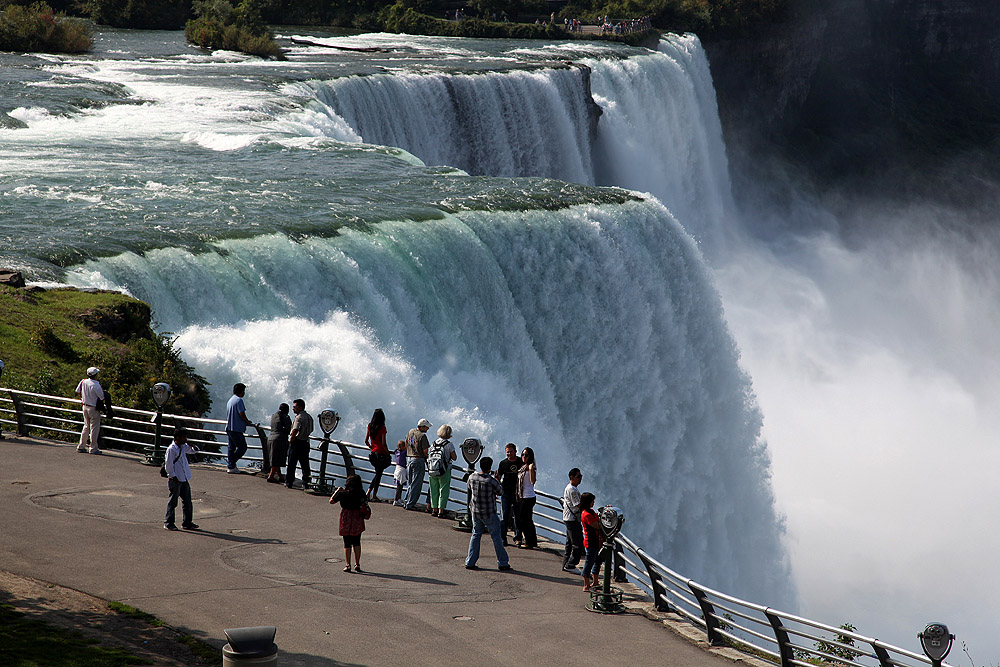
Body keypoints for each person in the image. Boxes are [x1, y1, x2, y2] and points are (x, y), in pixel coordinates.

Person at [464, 456, 511, 571]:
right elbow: (500, 492)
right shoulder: (491, 481)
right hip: (489, 513)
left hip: (475, 512)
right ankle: (503, 562)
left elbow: (469, 486)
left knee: (476, 535)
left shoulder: (472, 477)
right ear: (490, 467)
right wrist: (498, 479)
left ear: (480, 466)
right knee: (496, 537)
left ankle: (470, 561)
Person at [330, 474, 370, 572]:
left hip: (346, 517)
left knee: (347, 542)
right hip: (357, 517)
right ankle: (357, 564)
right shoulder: (361, 493)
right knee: (357, 541)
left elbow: (331, 501)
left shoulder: (343, 493)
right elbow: (365, 502)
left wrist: (336, 491)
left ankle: (348, 565)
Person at [164, 428, 200, 531]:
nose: (185, 439)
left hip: (184, 478)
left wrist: (193, 446)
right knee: (173, 502)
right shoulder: (171, 449)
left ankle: (187, 523)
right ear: (177, 438)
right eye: (184, 437)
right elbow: (168, 465)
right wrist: (173, 476)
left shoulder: (183, 447)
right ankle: (168, 522)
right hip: (175, 479)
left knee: (187, 502)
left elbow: (194, 451)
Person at [427, 424, 457, 517]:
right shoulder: (449, 444)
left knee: (433, 490)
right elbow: (454, 457)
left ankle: (434, 510)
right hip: (444, 470)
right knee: (443, 490)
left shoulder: (434, 443)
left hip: (432, 469)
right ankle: (441, 511)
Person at [225, 383, 256, 474]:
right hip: (236, 429)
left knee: (231, 448)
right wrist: (247, 421)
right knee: (243, 447)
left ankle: (231, 467)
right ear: (241, 391)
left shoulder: (230, 400)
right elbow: (241, 413)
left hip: (229, 427)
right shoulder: (239, 400)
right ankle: (231, 463)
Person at [75, 366, 105, 454]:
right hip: (93, 408)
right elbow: (102, 397)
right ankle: (93, 448)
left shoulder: (83, 381)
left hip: (84, 406)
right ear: (95, 375)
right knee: (94, 428)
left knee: (86, 426)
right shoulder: (96, 385)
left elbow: (77, 391)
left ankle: (81, 446)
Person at [495, 443, 520, 546]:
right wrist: (496, 491)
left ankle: (518, 538)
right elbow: (499, 477)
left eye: (511, 452)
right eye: (507, 452)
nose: (509, 454)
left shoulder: (521, 462)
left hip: (518, 493)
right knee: (504, 516)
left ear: (515, 451)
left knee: (518, 516)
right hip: (506, 493)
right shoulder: (503, 463)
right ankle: (503, 538)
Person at [403, 418, 431, 510]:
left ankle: (406, 501)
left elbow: (406, 443)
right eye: (426, 427)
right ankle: (410, 504)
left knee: (411, 483)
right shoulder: (422, 436)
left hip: (409, 458)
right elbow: (425, 451)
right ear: (422, 427)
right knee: (417, 484)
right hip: (418, 460)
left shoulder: (411, 431)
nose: (427, 429)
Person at [286, 398, 314, 490]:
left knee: (291, 463)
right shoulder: (309, 417)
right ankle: (306, 483)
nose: (293, 408)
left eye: (294, 407)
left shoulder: (299, 417)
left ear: (300, 407)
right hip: (305, 442)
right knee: (305, 465)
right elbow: (311, 429)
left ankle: (289, 482)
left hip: (297, 443)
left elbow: (295, 429)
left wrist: (291, 439)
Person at [365, 408, 391, 502]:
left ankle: (369, 492)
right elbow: (383, 443)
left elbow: (366, 440)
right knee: (378, 474)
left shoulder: (370, 426)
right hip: (381, 454)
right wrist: (388, 453)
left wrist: (371, 447)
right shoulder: (382, 428)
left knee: (377, 474)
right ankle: (373, 494)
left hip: (373, 454)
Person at [561, 467, 584, 573]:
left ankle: (565, 564)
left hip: (569, 518)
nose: (580, 478)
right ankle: (571, 565)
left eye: (581, 476)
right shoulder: (572, 490)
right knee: (577, 543)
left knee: (569, 543)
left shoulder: (571, 488)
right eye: (578, 476)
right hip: (572, 519)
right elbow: (578, 505)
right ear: (571, 477)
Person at [580, 492, 602, 591]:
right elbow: (596, 525)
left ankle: (595, 582)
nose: (593, 503)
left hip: (596, 542)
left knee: (597, 561)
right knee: (589, 563)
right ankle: (586, 585)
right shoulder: (586, 514)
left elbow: (598, 520)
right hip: (591, 542)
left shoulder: (591, 512)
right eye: (592, 501)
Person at [516, 446, 538, 549]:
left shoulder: (530, 467)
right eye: (522, 455)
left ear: (530, 456)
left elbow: (533, 481)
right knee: (528, 520)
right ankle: (532, 541)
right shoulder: (523, 467)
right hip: (524, 496)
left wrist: (531, 469)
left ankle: (529, 542)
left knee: (523, 520)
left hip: (529, 497)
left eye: (526, 455)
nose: (524, 457)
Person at [265, 403, 291, 483]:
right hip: (280, 439)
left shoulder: (273, 416)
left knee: (275, 458)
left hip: (271, 438)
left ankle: (280, 477)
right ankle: (271, 476)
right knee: (277, 459)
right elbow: (289, 428)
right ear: (287, 410)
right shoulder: (285, 417)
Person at [392, 439, 407, 506]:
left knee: (400, 486)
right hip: (401, 470)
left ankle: (398, 499)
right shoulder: (403, 453)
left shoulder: (397, 452)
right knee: (399, 487)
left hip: (397, 469)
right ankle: (396, 500)